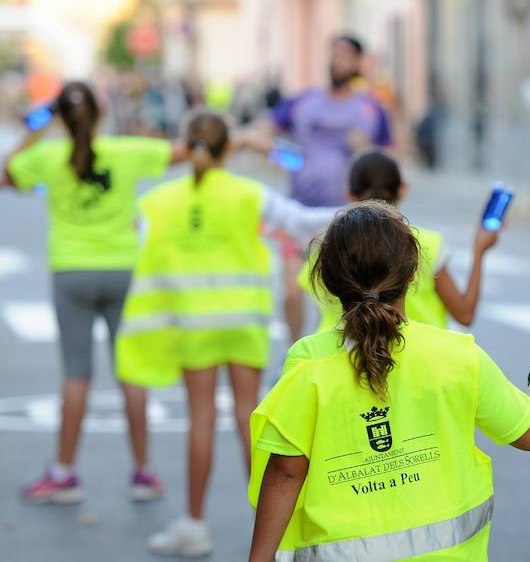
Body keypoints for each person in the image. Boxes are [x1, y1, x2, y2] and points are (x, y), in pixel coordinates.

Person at [247, 201, 530, 561]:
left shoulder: (307, 363)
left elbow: (286, 472)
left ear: (327, 279)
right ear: (411, 275)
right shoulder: (456, 354)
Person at [114, 112, 337, 557]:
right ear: (226, 148)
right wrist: (368, 208)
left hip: (192, 322)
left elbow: (140, 249)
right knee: (249, 418)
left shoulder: (158, 202)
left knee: (201, 420)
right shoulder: (249, 194)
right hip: (244, 321)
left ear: (187, 144)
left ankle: (194, 526)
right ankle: (282, 528)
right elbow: (302, 221)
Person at [1, 81, 187, 504]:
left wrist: (36, 126)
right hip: (124, 268)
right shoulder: (125, 151)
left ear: (61, 118)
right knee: (132, 372)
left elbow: (7, 172)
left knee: (76, 373)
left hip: (71, 271)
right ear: (100, 114)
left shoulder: (47, 156)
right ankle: (143, 472)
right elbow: (181, 152)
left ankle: (64, 472)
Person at [237, 34, 392, 343]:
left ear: (358, 62)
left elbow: (395, 156)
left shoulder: (370, 109)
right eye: (333, 53)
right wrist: (283, 155)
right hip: (299, 214)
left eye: (345, 54)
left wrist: (369, 148)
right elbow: (257, 134)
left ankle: (352, 355)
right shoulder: (303, 102)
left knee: (348, 295)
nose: (337, 60)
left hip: (349, 215)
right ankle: (295, 353)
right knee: (292, 290)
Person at [299, 148, 500, 333]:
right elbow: (464, 314)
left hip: (339, 355)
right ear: (403, 189)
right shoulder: (426, 243)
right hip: (422, 358)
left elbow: (322, 313)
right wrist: (479, 252)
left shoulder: (328, 244)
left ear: (351, 195)